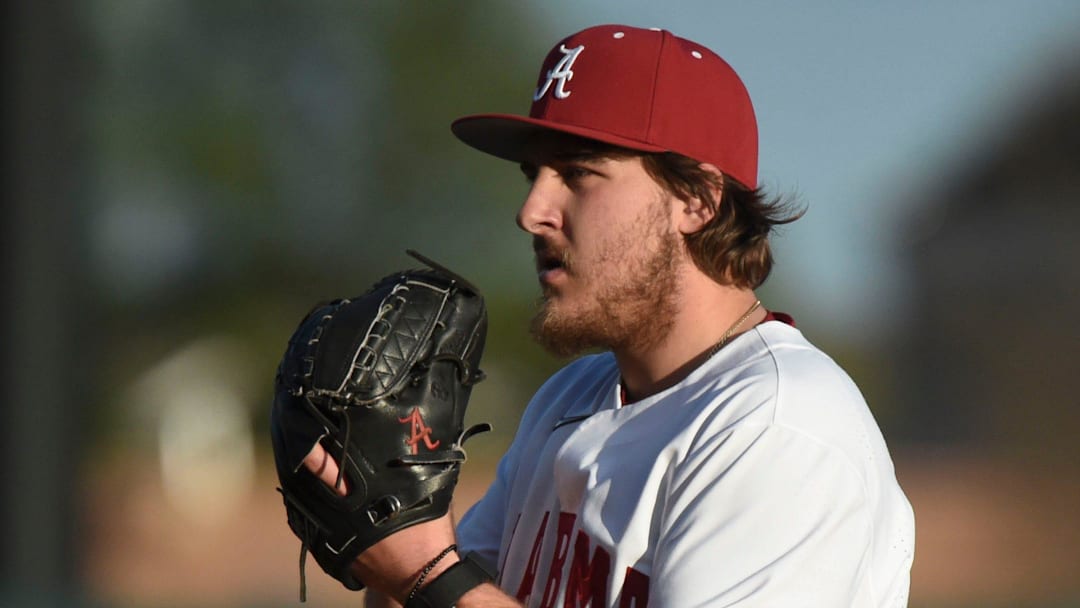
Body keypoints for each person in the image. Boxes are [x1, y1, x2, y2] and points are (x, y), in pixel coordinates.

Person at [304, 24, 915, 607]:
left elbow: (440, 587)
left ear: (697, 201)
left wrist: (428, 575)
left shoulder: (775, 427)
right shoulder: (569, 398)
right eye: (533, 175)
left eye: (577, 173)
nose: (532, 210)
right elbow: (435, 592)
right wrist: (393, 528)